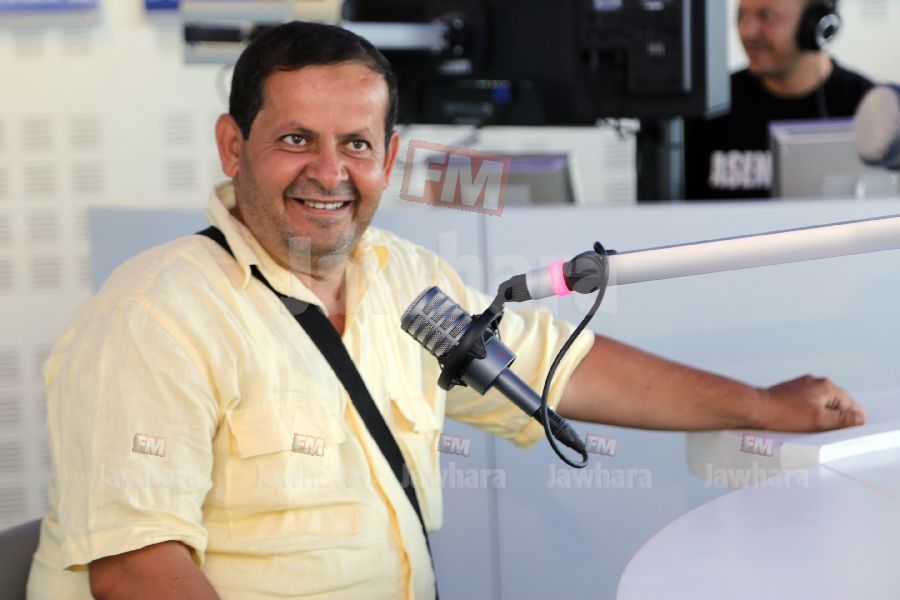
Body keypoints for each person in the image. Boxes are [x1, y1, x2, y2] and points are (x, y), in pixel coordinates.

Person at [27, 21, 865, 600]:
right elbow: (139, 573)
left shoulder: (403, 278)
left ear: (390, 157)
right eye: (295, 139)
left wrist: (760, 404)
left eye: (356, 144)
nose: (330, 171)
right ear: (231, 145)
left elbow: (560, 367)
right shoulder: (154, 315)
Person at [684, 0, 875, 200]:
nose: (748, 32)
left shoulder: (871, 108)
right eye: (741, 15)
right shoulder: (709, 103)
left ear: (815, 24)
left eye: (766, 16)